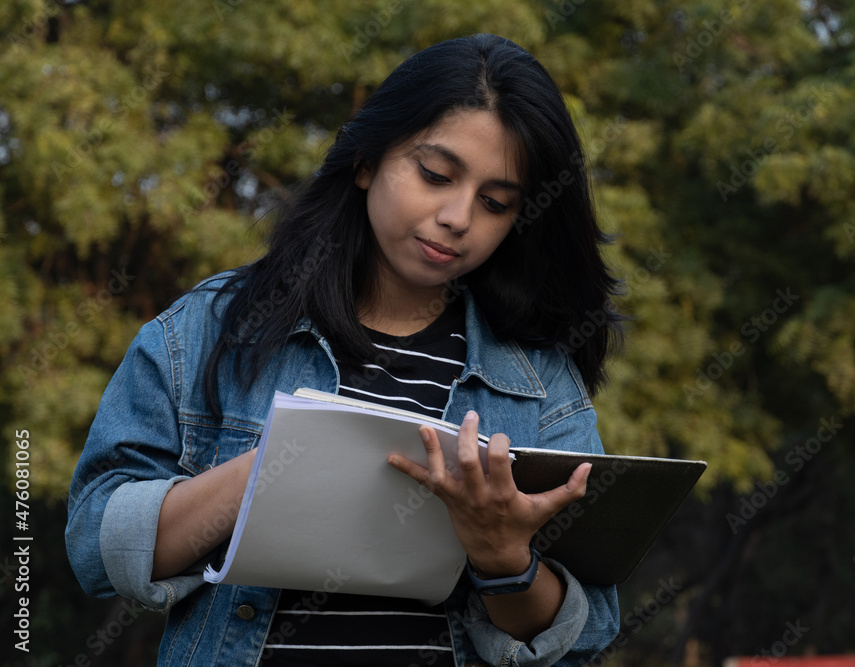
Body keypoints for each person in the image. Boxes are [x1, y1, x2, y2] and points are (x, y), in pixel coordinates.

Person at [66, 33, 623, 667]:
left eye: (496, 203)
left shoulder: (538, 379)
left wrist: (504, 562)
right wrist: (266, 476)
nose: (458, 216)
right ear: (366, 161)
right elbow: (94, 545)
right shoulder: (214, 326)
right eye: (435, 175)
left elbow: (590, 631)